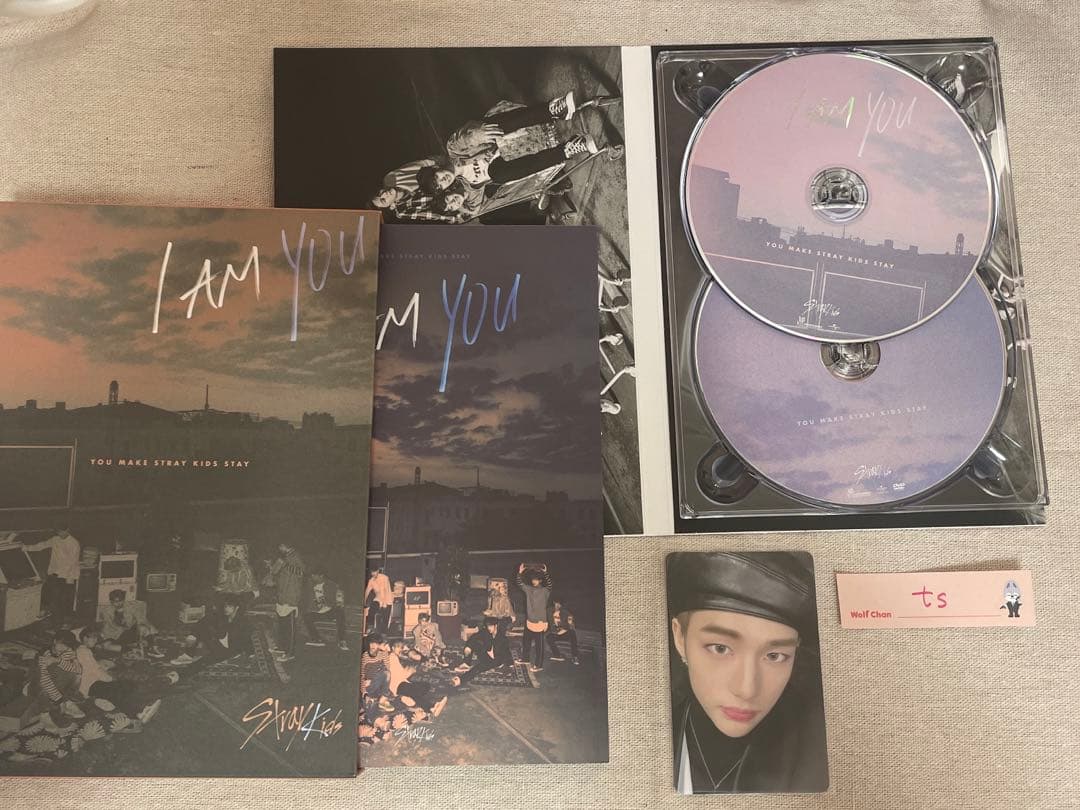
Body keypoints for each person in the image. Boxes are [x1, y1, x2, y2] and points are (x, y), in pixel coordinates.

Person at [667, 552, 828, 794]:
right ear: (680, 638)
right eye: (720, 648)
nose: (747, 690)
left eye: (774, 656)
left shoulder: (821, 748)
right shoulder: (643, 735)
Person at [75, 626, 170, 726]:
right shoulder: (82, 651)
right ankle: (138, 712)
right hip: (90, 686)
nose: (95, 640)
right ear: (85, 638)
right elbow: (94, 670)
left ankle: (143, 707)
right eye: (93, 637)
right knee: (118, 689)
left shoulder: (85, 651)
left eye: (96, 637)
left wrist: (108, 674)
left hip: (94, 683)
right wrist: (110, 678)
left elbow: (95, 669)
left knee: (124, 685)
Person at [174, 594, 255, 678]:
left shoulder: (243, 622)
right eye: (225, 606)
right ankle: (188, 655)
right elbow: (204, 620)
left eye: (230, 607)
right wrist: (193, 635)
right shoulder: (223, 616)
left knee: (204, 661)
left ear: (237, 608)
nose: (226, 609)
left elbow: (247, 640)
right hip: (218, 642)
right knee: (203, 627)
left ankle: (178, 676)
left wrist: (250, 654)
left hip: (229, 651)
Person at [26, 631, 84, 731]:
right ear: (55, 641)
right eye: (60, 644)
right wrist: (59, 699)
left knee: (76, 675)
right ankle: (45, 714)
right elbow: (44, 680)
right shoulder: (44, 654)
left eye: (66, 645)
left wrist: (57, 660)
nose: (62, 648)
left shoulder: (68, 651)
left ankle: (67, 701)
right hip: (38, 685)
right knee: (44, 687)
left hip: (56, 682)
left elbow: (79, 669)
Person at [22, 528, 81, 620]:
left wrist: (67, 580)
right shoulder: (55, 539)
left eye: (62, 531)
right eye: (58, 532)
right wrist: (26, 547)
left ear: (68, 530)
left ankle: (61, 619)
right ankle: (45, 612)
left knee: (61, 599)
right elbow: (41, 545)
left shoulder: (74, 543)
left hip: (67, 576)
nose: (60, 534)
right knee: (46, 591)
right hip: (54, 573)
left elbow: (72, 562)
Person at [387, 639, 448, 717]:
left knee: (425, 686)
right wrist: (410, 671)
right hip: (398, 686)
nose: (400, 649)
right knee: (416, 690)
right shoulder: (392, 658)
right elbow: (399, 675)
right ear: (392, 648)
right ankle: (431, 707)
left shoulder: (396, 657)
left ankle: (413, 700)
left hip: (403, 684)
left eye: (401, 647)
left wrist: (409, 669)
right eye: (398, 647)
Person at [98, 589, 164, 658]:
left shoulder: (131, 607)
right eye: (116, 601)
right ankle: (131, 649)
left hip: (131, 631)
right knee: (106, 646)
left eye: (121, 600)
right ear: (111, 602)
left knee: (143, 627)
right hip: (116, 633)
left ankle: (153, 648)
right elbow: (107, 626)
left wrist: (146, 627)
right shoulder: (106, 611)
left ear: (123, 600)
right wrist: (103, 637)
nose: (119, 603)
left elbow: (141, 619)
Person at [269, 543, 304, 662]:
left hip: (291, 597)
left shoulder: (296, 557)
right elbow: (278, 574)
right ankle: (282, 647)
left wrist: (284, 564)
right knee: (283, 624)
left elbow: (301, 572)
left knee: (290, 627)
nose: (279, 548)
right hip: (282, 595)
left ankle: (290, 653)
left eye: (280, 546)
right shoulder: (286, 557)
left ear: (285, 545)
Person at [517, 563, 552, 672]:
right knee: (526, 641)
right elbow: (520, 583)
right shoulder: (528, 589)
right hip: (530, 621)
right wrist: (520, 572)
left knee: (539, 645)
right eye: (533, 579)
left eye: (536, 580)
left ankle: (539, 665)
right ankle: (525, 659)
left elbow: (550, 585)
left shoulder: (545, 591)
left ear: (540, 581)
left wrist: (545, 573)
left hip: (540, 622)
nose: (534, 581)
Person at [457, 616, 513, 683]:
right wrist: (468, 647)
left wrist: (510, 664)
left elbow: (507, 651)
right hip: (486, 654)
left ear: (496, 626)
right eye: (487, 626)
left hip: (495, 660)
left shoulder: (502, 638)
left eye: (491, 626)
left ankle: (461, 680)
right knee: (474, 643)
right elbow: (474, 637)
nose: (489, 628)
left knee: (477, 668)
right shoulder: (486, 631)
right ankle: (466, 663)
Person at [303, 568, 348, 651]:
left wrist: (326, 601)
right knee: (307, 616)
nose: (312, 577)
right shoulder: (310, 585)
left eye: (314, 575)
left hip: (329, 611)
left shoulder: (331, 585)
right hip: (317, 611)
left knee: (340, 612)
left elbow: (337, 600)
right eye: (311, 575)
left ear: (321, 576)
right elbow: (307, 600)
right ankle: (316, 639)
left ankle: (342, 640)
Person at [360, 633, 394, 713]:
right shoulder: (365, 656)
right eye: (371, 643)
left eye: (376, 643)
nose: (373, 645)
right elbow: (361, 676)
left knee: (387, 673)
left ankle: (382, 699)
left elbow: (387, 668)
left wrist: (386, 651)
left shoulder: (382, 653)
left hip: (377, 683)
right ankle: (375, 699)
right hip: (368, 686)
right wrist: (364, 693)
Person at [547, 600, 579, 665]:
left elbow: (571, 624)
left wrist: (568, 626)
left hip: (564, 632)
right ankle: (557, 655)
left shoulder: (565, 612)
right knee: (548, 637)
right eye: (556, 603)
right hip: (555, 633)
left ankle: (575, 656)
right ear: (554, 603)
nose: (557, 606)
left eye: (559, 604)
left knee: (572, 633)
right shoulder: (549, 611)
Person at [364, 566, 393, 634]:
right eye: (372, 572)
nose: (373, 574)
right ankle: (370, 627)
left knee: (385, 617)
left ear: (378, 571)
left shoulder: (384, 578)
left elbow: (385, 591)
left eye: (374, 572)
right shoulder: (371, 581)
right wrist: (364, 601)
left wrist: (384, 603)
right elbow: (367, 591)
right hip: (378, 599)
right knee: (371, 609)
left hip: (387, 600)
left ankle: (384, 633)